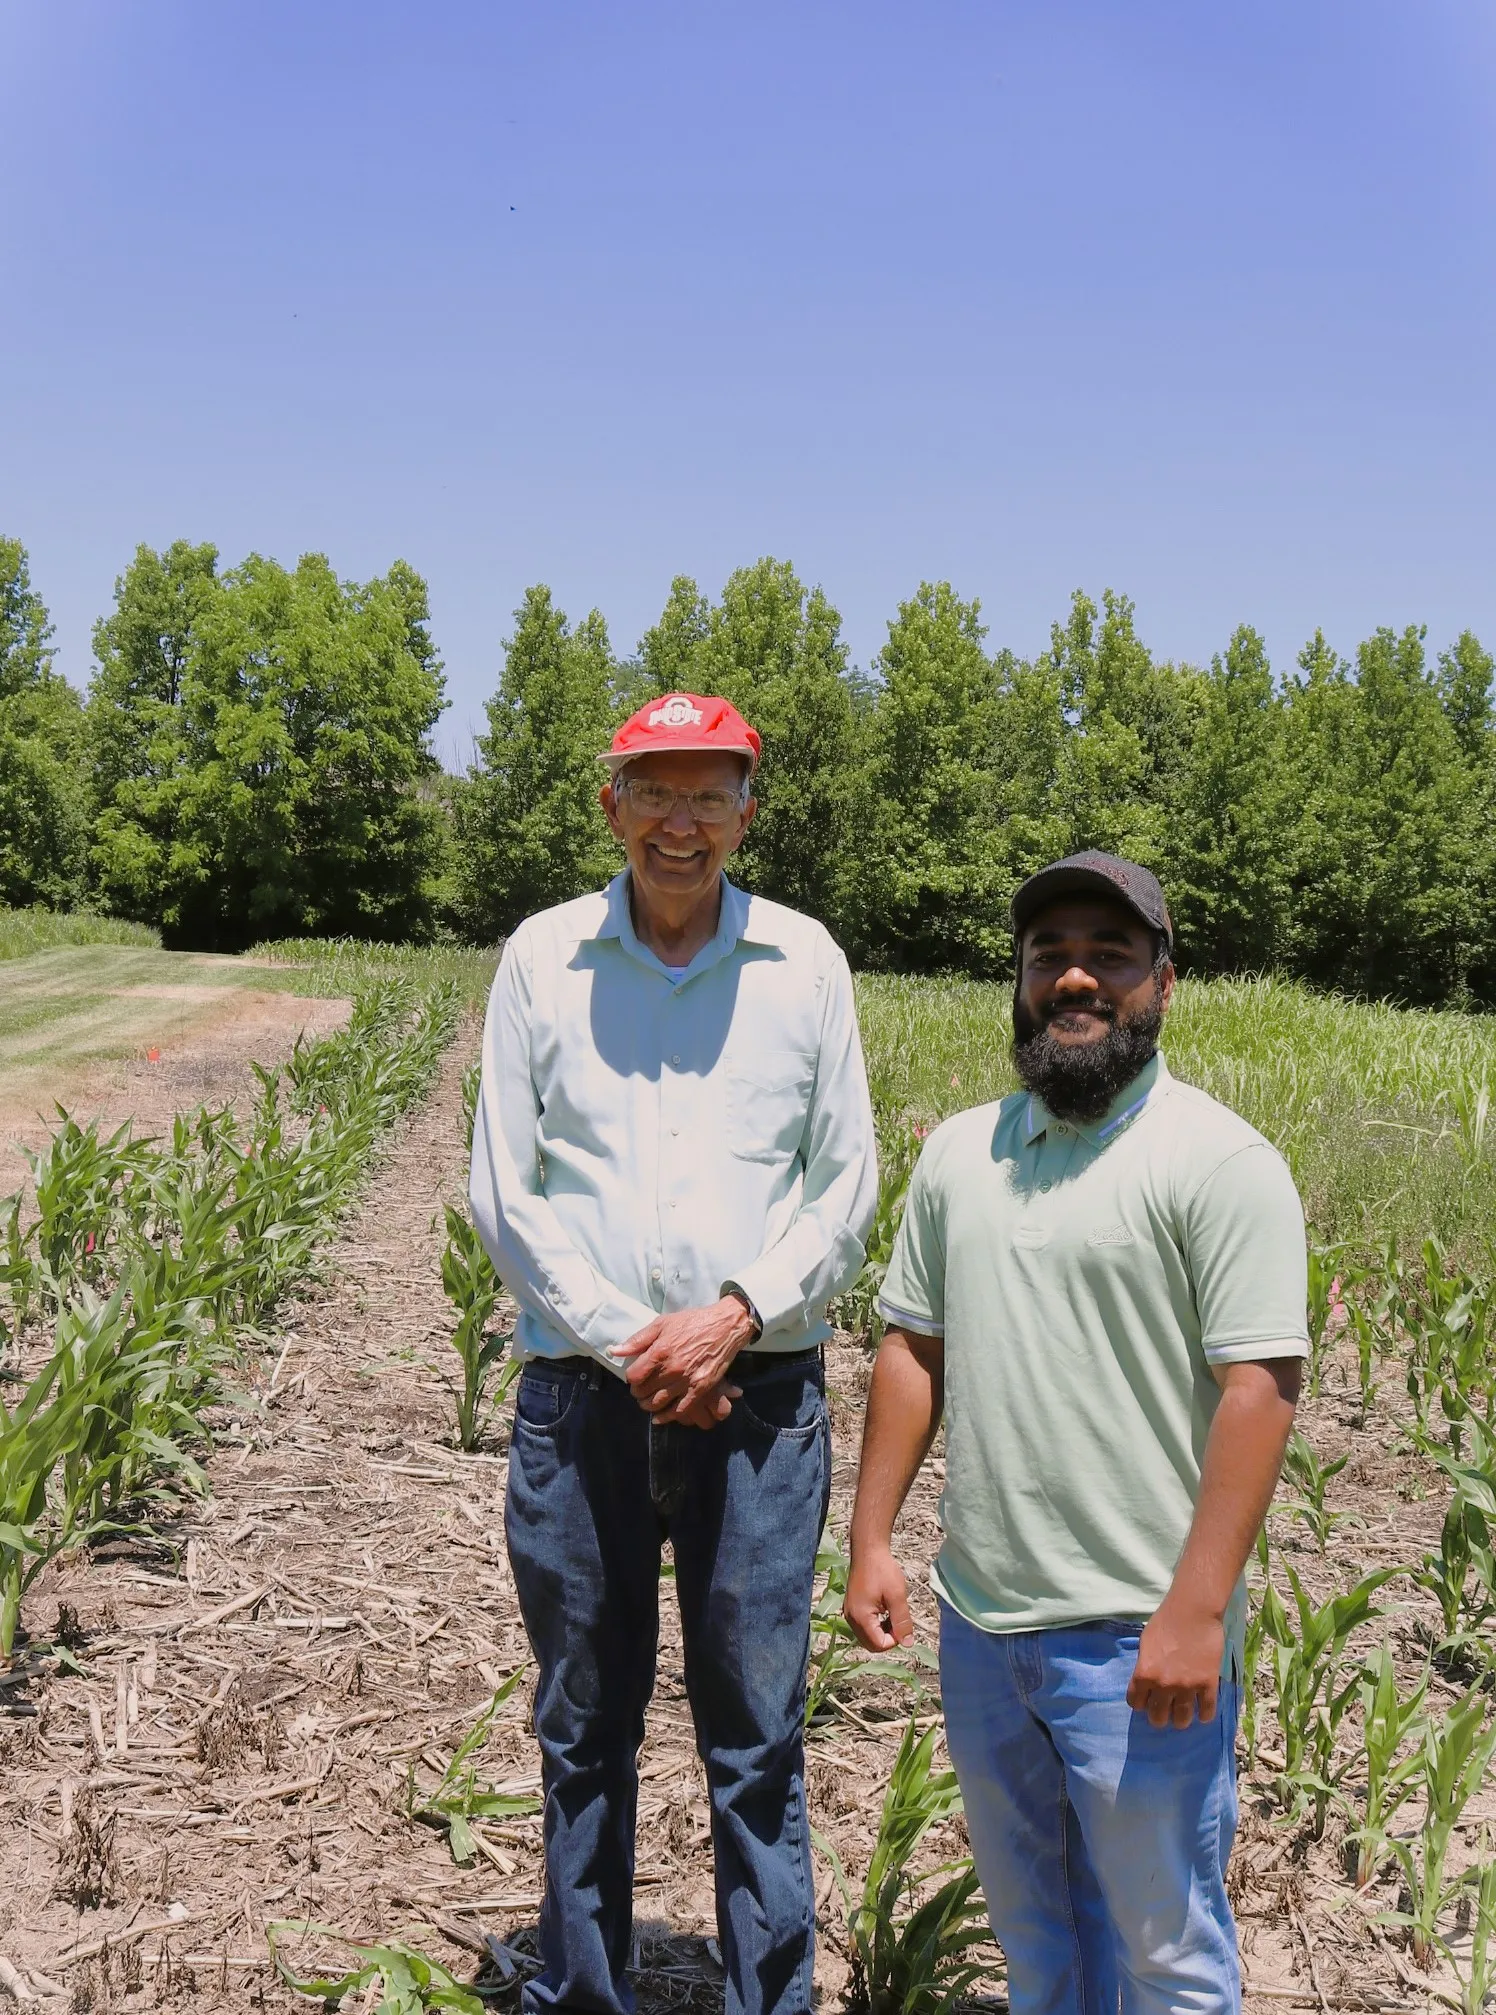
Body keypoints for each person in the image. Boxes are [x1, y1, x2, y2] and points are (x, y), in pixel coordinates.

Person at [470, 691, 878, 2015]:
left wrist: (734, 1312)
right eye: (657, 791)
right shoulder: (542, 958)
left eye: (711, 793)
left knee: (755, 1737)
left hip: (758, 1404)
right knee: (583, 1727)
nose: (682, 820)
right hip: (581, 1404)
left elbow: (846, 1180)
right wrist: (623, 1336)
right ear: (612, 805)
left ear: (749, 809)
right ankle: (585, 1990)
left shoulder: (807, 963)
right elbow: (505, 1184)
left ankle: (769, 1996)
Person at [844, 850, 1306, 2015]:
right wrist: (870, 1538)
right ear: (1018, 979)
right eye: (1048, 953)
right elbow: (911, 1347)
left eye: (1107, 953)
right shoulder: (960, 1151)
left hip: (1138, 1635)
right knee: (1038, 1940)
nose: (1074, 977)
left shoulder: (1218, 1160)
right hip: (984, 1624)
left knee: (1164, 1950)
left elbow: (1259, 1385)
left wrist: (1196, 1607)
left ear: (1163, 978)